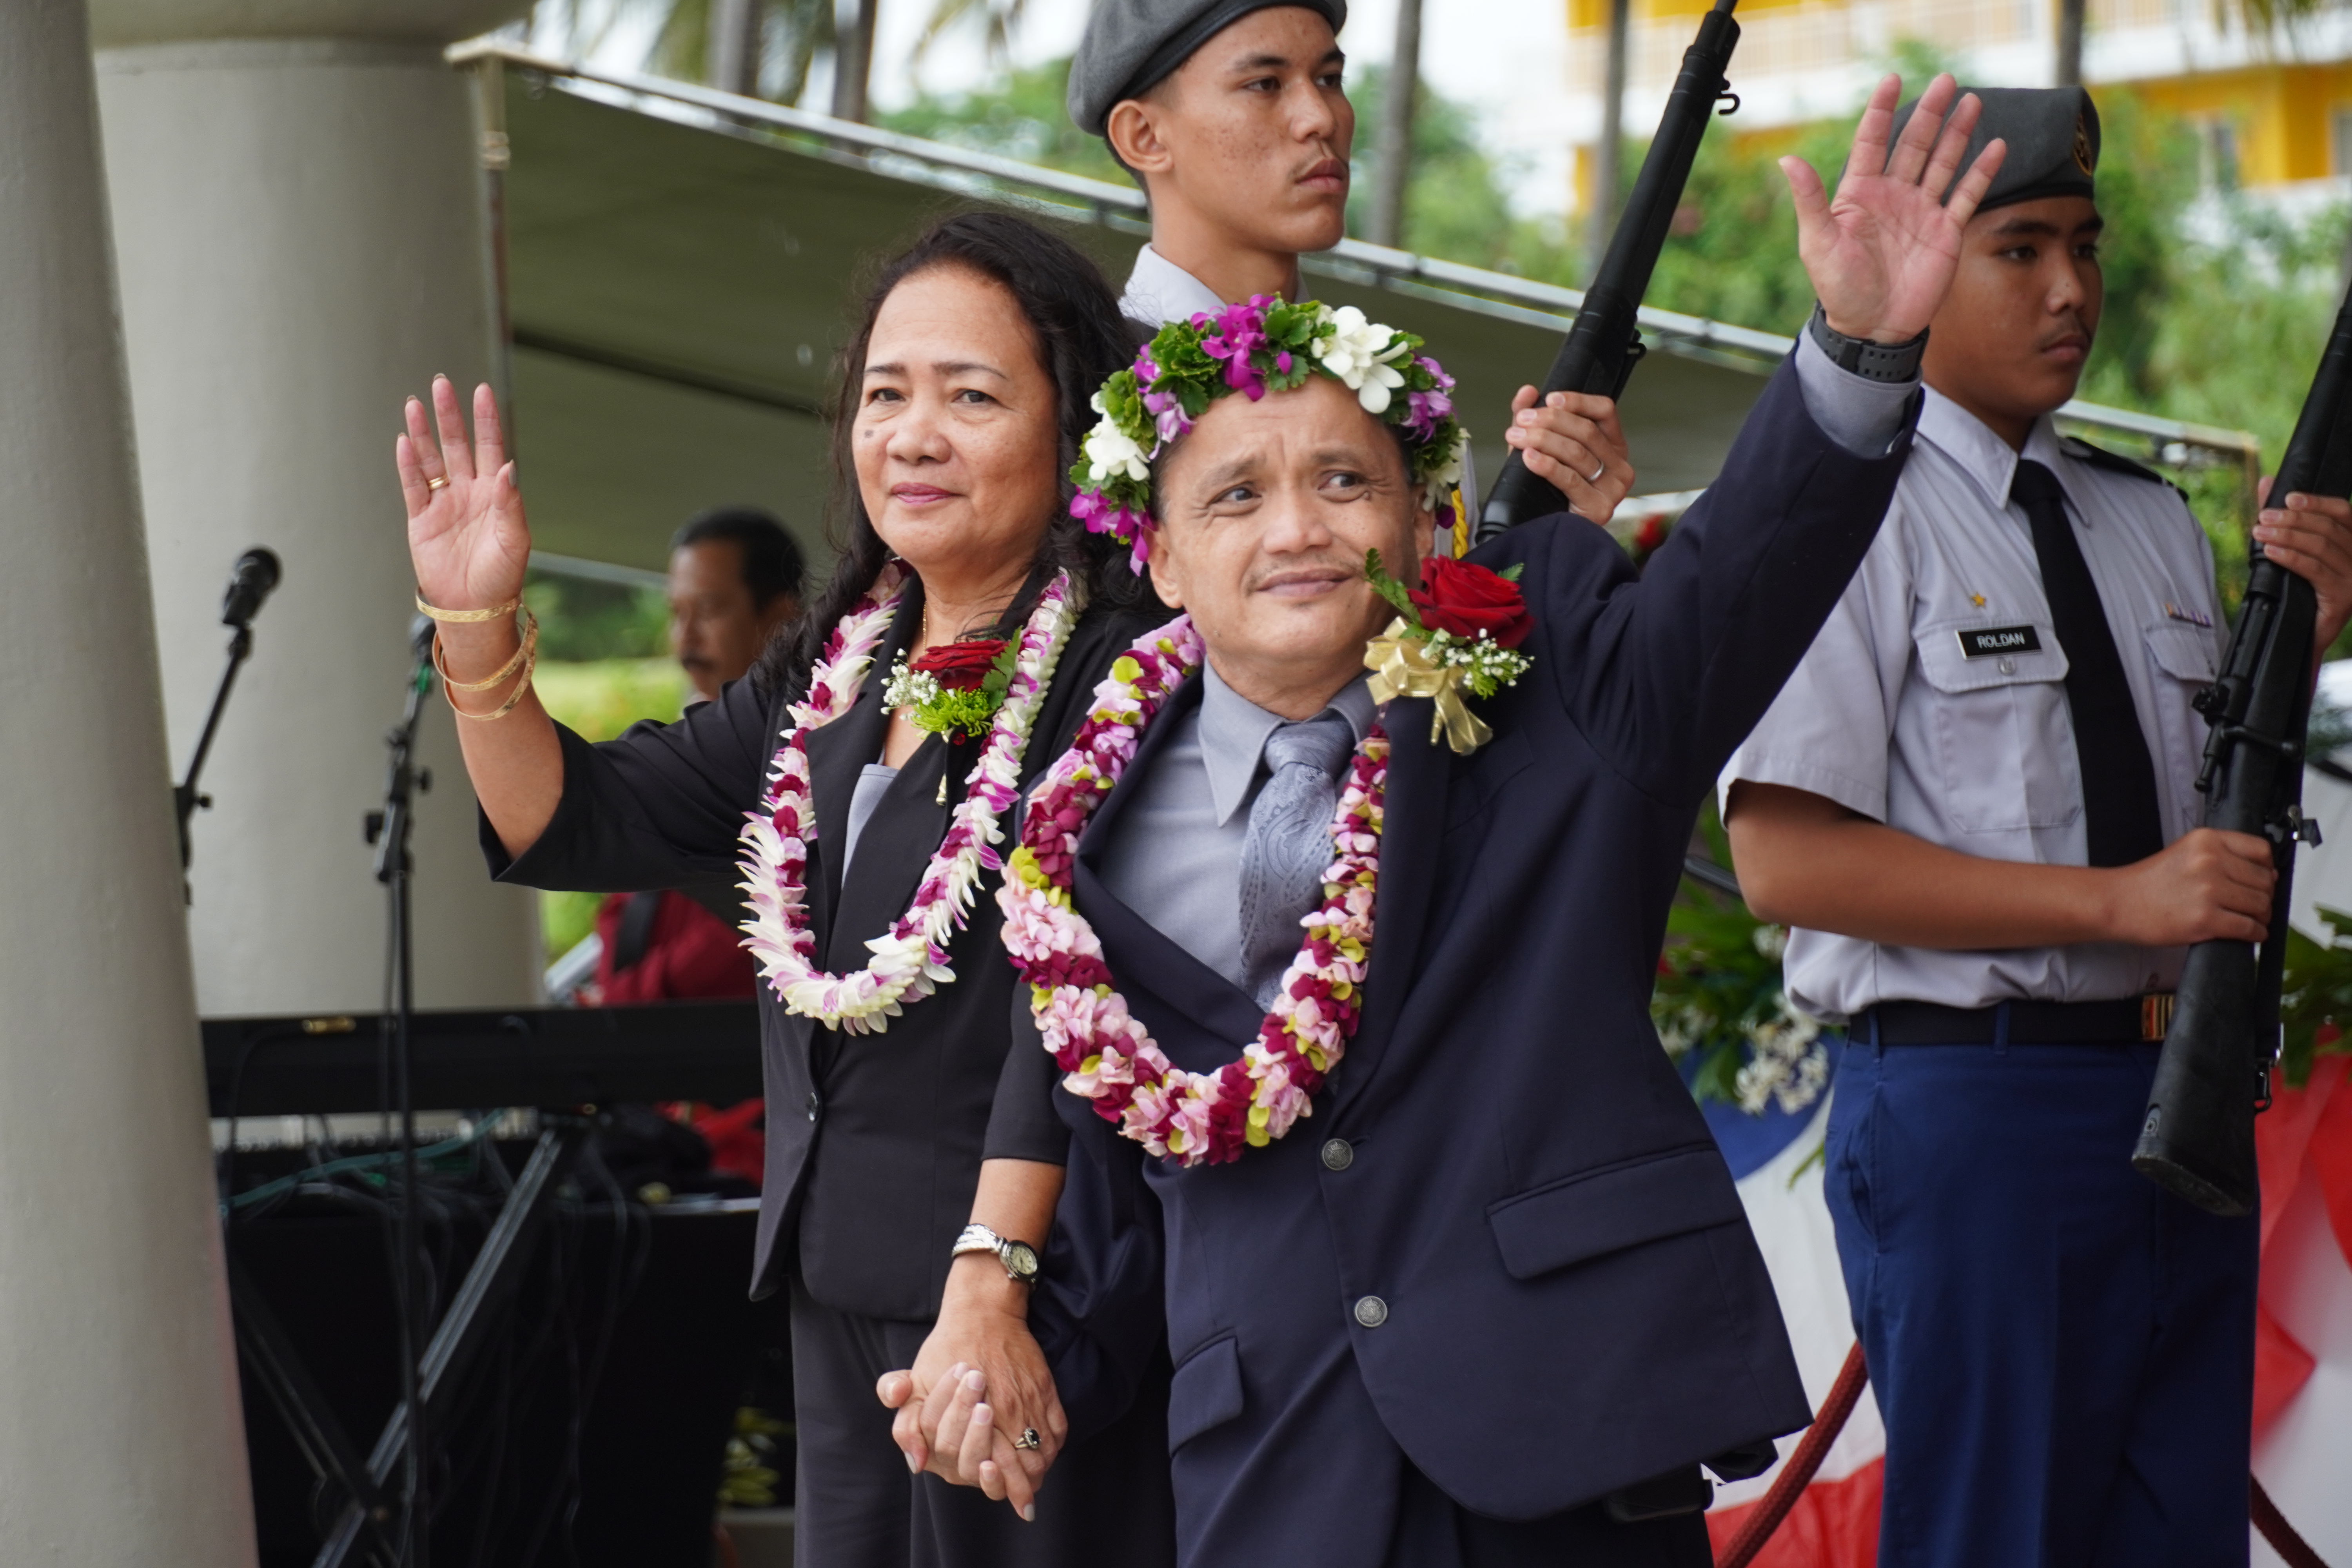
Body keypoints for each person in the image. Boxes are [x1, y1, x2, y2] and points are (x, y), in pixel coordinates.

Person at [887, 75, 2005, 1567]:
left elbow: (1739, 587)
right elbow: (1128, 1183)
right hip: (1274, 1476)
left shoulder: (1554, 681)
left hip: (1567, 1443)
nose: (1297, 528)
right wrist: (1023, 1364)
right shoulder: (1078, 830)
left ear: (1418, 520)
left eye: (1344, 481)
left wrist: (1860, 354)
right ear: (1155, 555)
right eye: (1235, 498)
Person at [393, 212, 1177, 1568]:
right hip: (836, 1290)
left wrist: (994, 1283)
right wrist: (476, 625)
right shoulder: (826, 677)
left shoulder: (1125, 674)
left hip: (1031, 1312)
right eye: (886, 396)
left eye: (972, 396)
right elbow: (573, 821)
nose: (914, 435)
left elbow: (1081, 1009)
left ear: (1076, 429)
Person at [1717, 87, 2352, 1568]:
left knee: (2174, 1538)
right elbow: (1783, 860)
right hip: (1978, 1114)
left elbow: (2200, 826)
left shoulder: (2139, 518)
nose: (2071, 290)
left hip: (2175, 1099)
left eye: (2087, 245)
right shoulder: (1845, 506)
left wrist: (2304, 647)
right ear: (1928, 264)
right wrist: (2116, 906)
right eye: (2020, 251)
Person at [1069, 0, 1639, 530]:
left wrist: (1554, 539)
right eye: (1264, 84)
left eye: (1329, 80)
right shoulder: (1076, 392)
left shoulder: (1403, 401)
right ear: (1144, 136)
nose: (1320, 118)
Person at [583, 506, 806, 1011]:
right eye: (676, 613)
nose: (685, 639)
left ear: (780, 617)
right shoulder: (682, 741)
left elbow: (755, 920)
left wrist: (619, 1000)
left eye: (709, 610)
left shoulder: (811, 747)